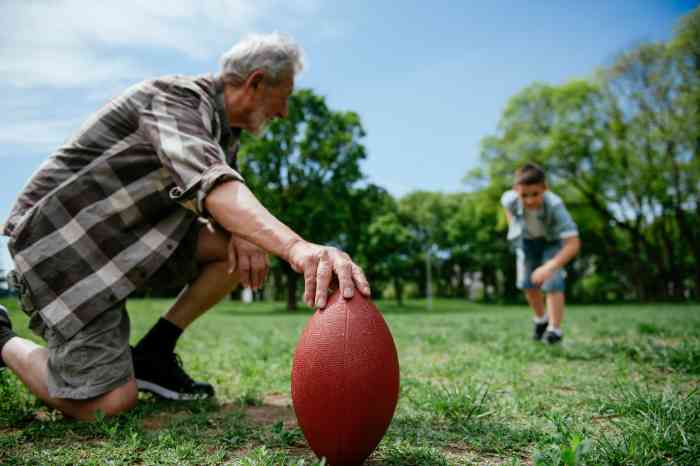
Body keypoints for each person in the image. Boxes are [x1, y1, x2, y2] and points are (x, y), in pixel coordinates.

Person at [0, 33, 370, 421]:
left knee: (240, 248)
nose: (285, 112)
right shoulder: (175, 99)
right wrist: (297, 247)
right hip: (67, 250)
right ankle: (2, 338)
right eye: (286, 95)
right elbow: (213, 185)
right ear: (256, 82)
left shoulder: (225, 137)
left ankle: (153, 354)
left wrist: (242, 233)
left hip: (127, 248)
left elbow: (228, 201)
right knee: (107, 405)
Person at [501, 163, 580, 344]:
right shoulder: (509, 199)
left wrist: (550, 266)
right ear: (516, 190)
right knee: (528, 284)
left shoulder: (555, 206)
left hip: (551, 242)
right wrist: (514, 226)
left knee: (552, 281)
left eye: (535, 194)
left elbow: (573, 243)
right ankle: (541, 320)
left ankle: (554, 330)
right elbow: (508, 210)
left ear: (545, 188)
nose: (529, 200)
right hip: (527, 241)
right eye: (524, 195)